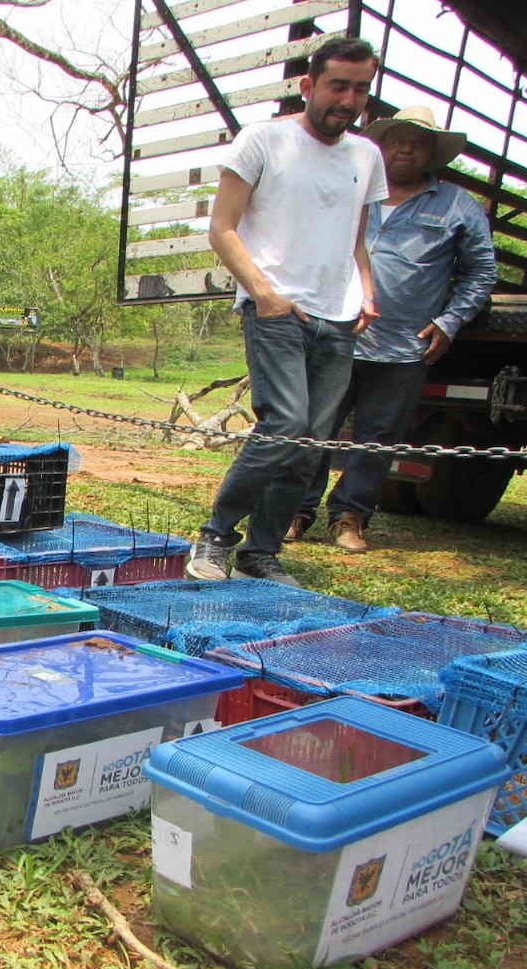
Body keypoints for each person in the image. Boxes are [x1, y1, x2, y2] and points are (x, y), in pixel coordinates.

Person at [185, 35, 387, 587]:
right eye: (337, 86)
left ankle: (261, 553)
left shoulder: (367, 155)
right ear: (308, 86)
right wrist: (263, 292)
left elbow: (356, 238)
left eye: (359, 89)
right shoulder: (262, 141)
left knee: (309, 445)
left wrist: (366, 290)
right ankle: (217, 536)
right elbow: (221, 228)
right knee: (285, 425)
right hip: (276, 307)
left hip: (340, 315)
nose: (347, 100)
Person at [287, 106, 496, 553]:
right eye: (397, 139)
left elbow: (480, 272)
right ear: (380, 148)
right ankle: (295, 511)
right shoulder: (352, 191)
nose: (405, 149)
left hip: (405, 345)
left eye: (417, 142)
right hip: (337, 332)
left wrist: (450, 320)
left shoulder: (457, 204)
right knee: (314, 427)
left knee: (377, 437)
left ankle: (349, 518)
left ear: (432, 154)